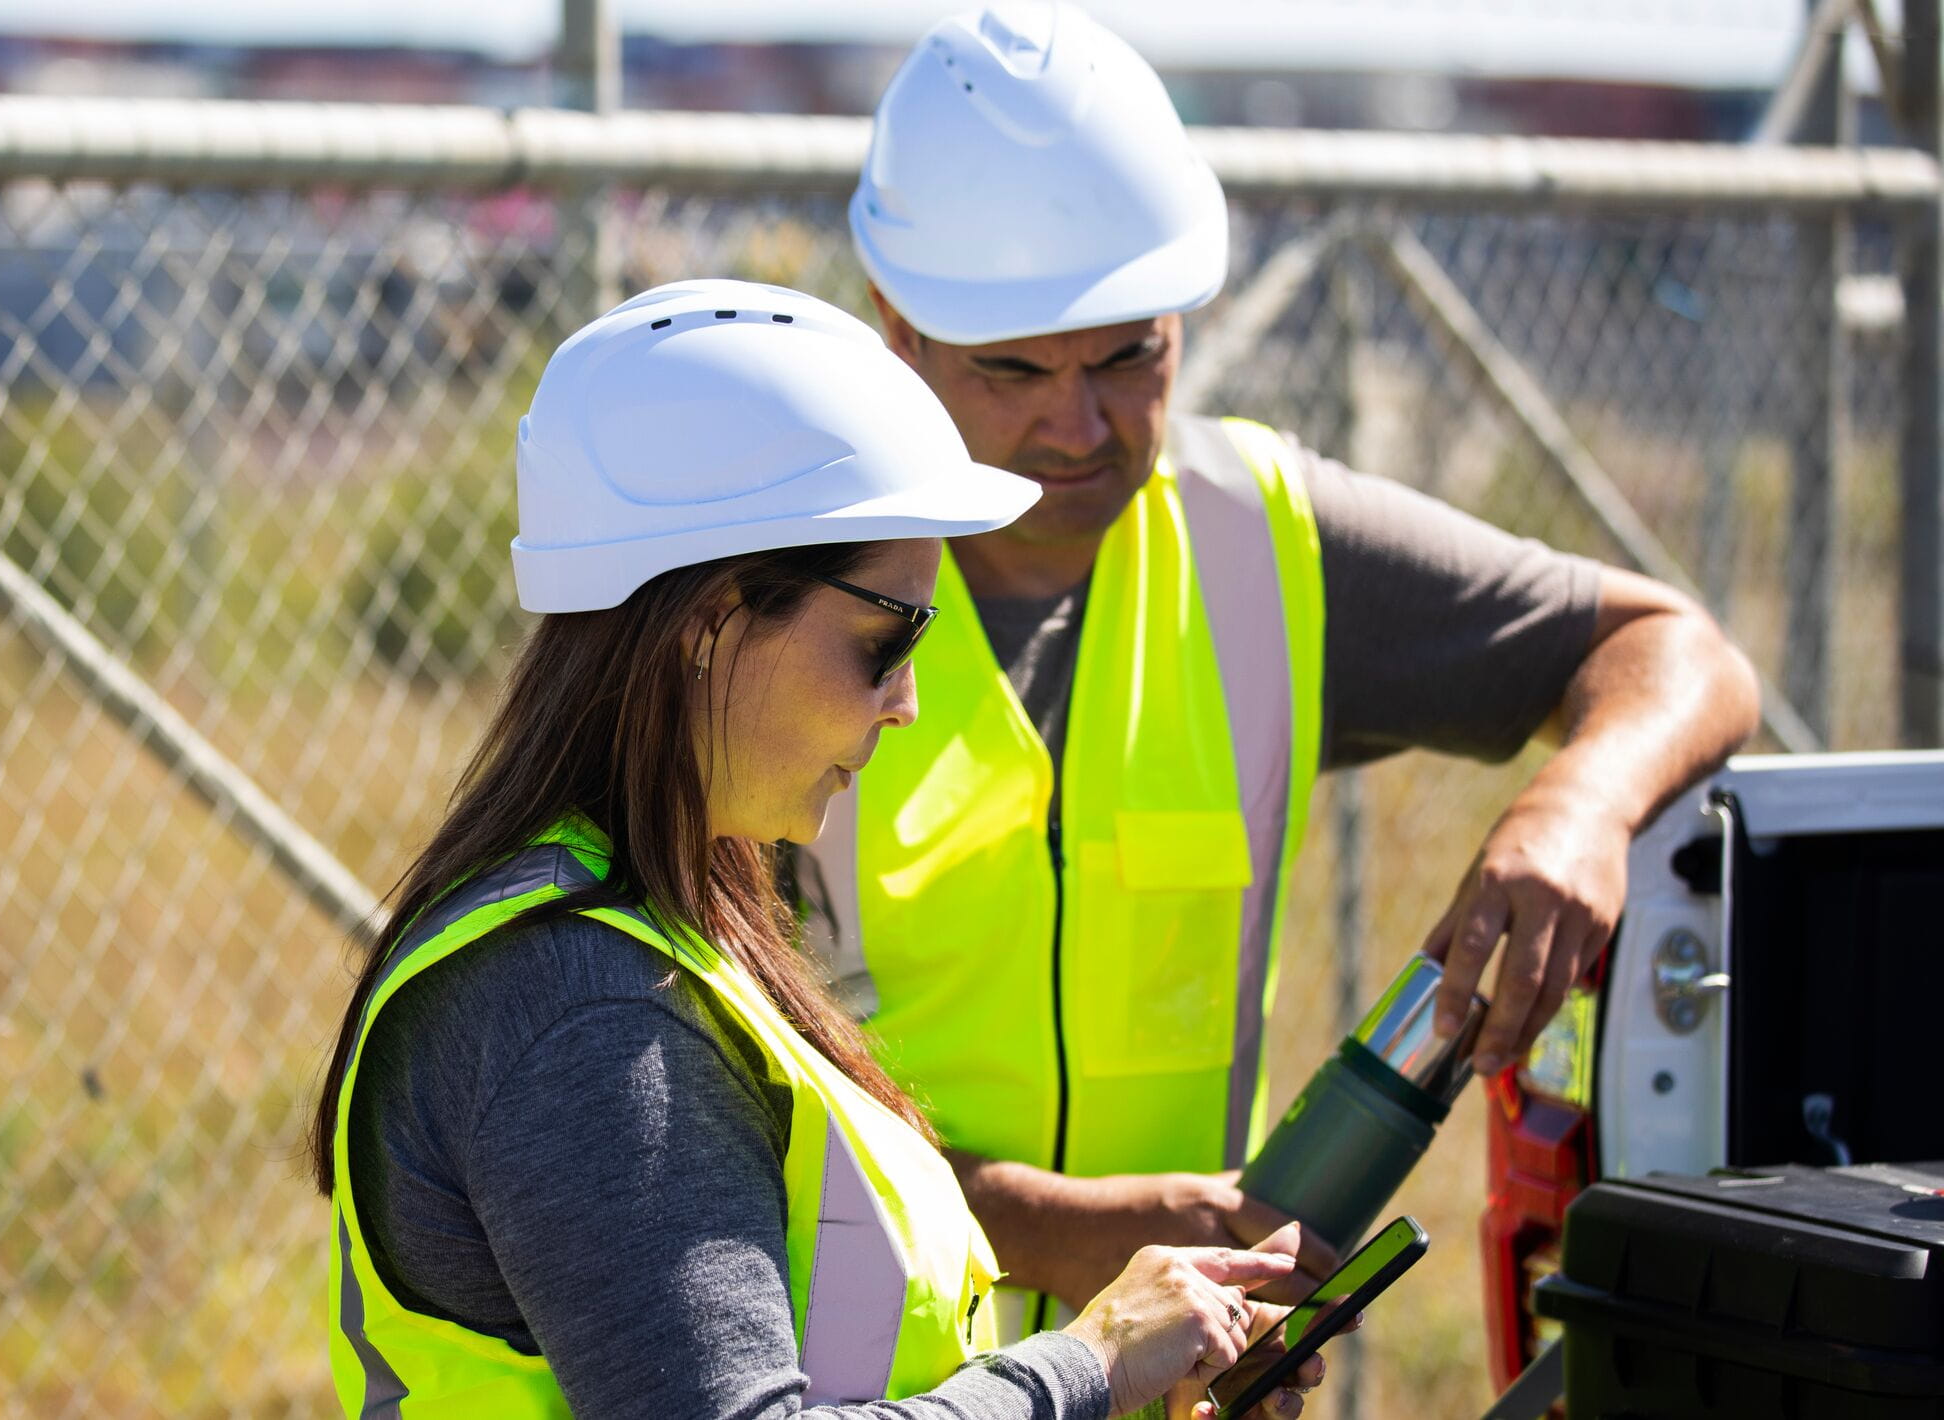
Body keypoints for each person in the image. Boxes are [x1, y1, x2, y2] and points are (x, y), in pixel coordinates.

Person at [809, 0, 1764, 1335]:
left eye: (1130, 356)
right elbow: (698, 1114)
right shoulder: (776, 582)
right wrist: (1061, 1230)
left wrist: (1577, 809)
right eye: (1013, 369)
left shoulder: (1265, 542)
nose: (1078, 425)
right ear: (894, 322)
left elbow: (1681, 654)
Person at [312, 279, 1328, 1420]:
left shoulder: (672, 936)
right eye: (886, 641)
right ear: (707, 627)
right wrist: (1089, 1363)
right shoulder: (587, 1014)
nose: (905, 704)